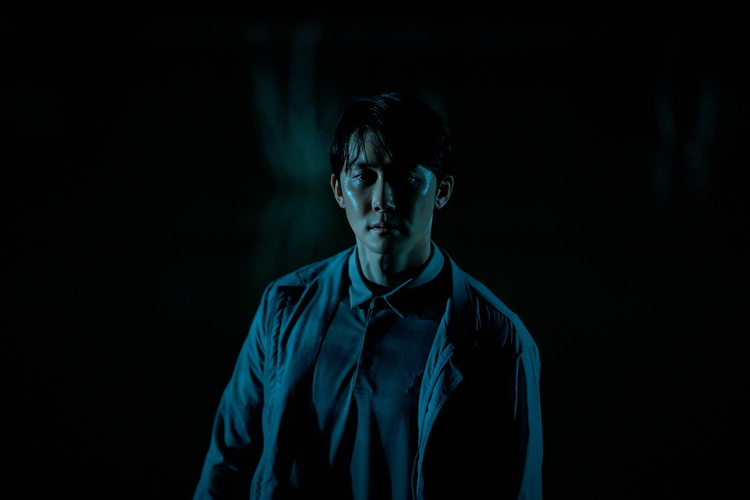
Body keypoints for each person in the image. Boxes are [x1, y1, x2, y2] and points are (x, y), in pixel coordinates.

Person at [193, 92, 542, 499]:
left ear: (442, 191)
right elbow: (228, 461)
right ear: (338, 189)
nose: (382, 200)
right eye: (363, 176)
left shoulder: (497, 339)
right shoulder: (284, 307)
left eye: (405, 177)